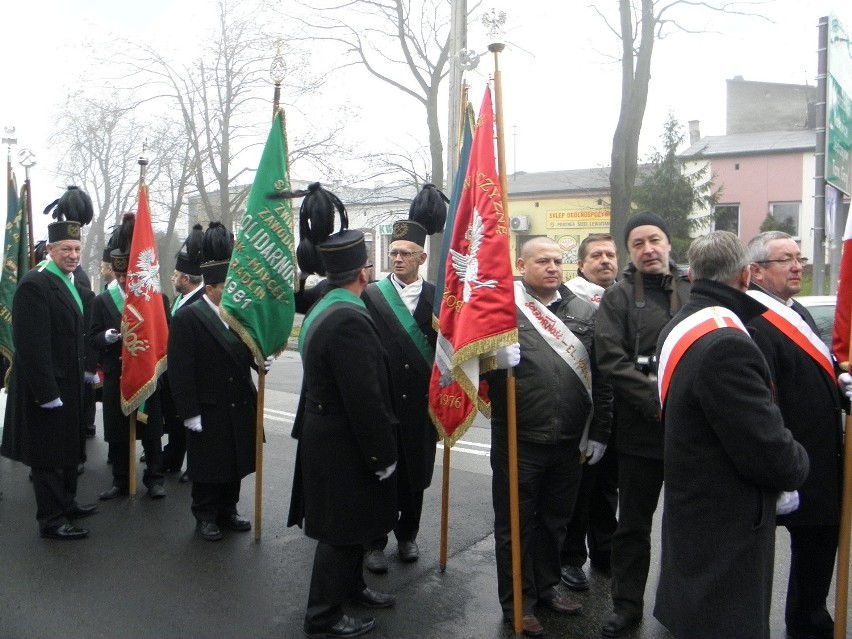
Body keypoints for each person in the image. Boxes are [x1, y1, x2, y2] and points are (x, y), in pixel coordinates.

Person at [654, 230, 810, 639]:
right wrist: (798, 463)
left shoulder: (682, 321)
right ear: (745, 276)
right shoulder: (727, 343)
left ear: (693, 274)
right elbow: (767, 449)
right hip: (726, 527)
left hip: (695, 509)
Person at [485, 236, 612, 638]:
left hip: (569, 442)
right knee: (515, 527)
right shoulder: (504, 308)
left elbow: (603, 376)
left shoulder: (582, 310)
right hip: (519, 440)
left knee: (555, 522)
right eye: (543, 261)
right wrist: (492, 360)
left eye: (559, 261)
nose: (554, 267)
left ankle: (547, 585)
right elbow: (471, 365)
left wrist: (601, 433)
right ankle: (518, 601)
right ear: (522, 265)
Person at [287, 183, 398, 639]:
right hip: (344, 441)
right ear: (363, 273)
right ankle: (323, 617)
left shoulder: (324, 304)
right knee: (339, 531)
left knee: (354, 524)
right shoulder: (349, 317)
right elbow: (364, 398)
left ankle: (352, 589)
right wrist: (383, 454)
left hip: (327, 433)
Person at [594, 211, 691, 637]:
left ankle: (688, 604)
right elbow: (611, 359)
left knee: (691, 523)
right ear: (630, 251)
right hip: (640, 431)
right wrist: (657, 401)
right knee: (633, 524)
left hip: (694, 431)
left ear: (669, 244)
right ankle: (627, 604)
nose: (648, 249)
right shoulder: (616, 298)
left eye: (655, 240)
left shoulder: (695, 289)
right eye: (638, 243)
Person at [746, 231, 843, 639]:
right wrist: (778, 469)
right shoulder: (752, 318)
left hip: (819, 457)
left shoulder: (796, 308)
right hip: (781, 457)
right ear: (757, 272)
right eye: (785, 259)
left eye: (799, 258)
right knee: (755, 557)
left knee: (818, 548)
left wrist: (840, 379)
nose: (797, 266)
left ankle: (808, 623)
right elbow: (761, 398)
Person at [361, 184, 445, 574]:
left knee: (414, 474)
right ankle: (374, 541)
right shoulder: (371, 297)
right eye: (393, 252)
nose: (397, 258)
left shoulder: (439, 298)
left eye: (405, 253)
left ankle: (407, 535)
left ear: (421, 257)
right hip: (382, 401)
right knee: (379, 472)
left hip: (422, 406)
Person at [0, 214, 98, 540]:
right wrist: (47, 392)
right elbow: (32, 346)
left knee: (68, 451)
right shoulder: (35, 284)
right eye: (66, 249)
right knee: (48, 457)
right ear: (51, 249)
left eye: (77, 249)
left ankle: (67, 504)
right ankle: (52, 521)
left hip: (70, 386)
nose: (73, 255)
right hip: (49, 390)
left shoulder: (69, 281)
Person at [168, 222, 261, 541]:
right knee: (209, 466)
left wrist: (262, 358)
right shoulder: (187, 318)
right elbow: (181, 370)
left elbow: (247, 349)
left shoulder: (236, 314)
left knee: (234, 461)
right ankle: (205, 513)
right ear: (210, 288)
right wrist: (189, 411)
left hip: (237, 400)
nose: (233, 292)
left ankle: (229, 509)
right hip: (208, 405)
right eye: (227, 287)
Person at [89, 214, 167, 501]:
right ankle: (121, 481)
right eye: (119, 276)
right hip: (116, 375)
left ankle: (155, 479)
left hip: (146, 373)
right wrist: (106, 338)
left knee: (151, 432)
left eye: (127, 276)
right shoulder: (102, 301)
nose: (123, 281)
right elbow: (92, 337)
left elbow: (164, 333)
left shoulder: (155, 298)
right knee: (119, 435)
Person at [560, 233, 619, 592]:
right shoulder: (564, 302)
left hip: (618, 413)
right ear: (581, 264)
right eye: (596, 255)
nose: (605, 261)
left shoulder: (627, 300)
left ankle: (605, 552)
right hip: (580, 414)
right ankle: (570, 558)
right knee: (577, 493)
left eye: (610, 255)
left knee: (607, 489)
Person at [161, 223, 205, 484]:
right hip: (174, 369)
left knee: (191, 423)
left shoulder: (199, 302)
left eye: (176, 275)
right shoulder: (180, 298)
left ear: (186, 279)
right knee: (176, 421)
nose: (173, 279)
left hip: (193, 374)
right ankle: (173, 456)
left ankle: (194, 466)